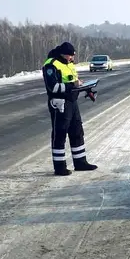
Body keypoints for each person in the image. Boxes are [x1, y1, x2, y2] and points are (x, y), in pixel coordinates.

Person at [42, 42, 98, 175]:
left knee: (77, 132)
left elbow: (73, 80)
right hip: (60, 103)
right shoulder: (51, 65)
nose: (72, 58)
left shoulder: (68, 64)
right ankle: (60, 167)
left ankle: (80, 163)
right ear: (64, 54)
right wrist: (73, 85)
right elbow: (53, 87)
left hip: (72, 101)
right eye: (71, 56)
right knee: (60, 134)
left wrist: (85, 88)